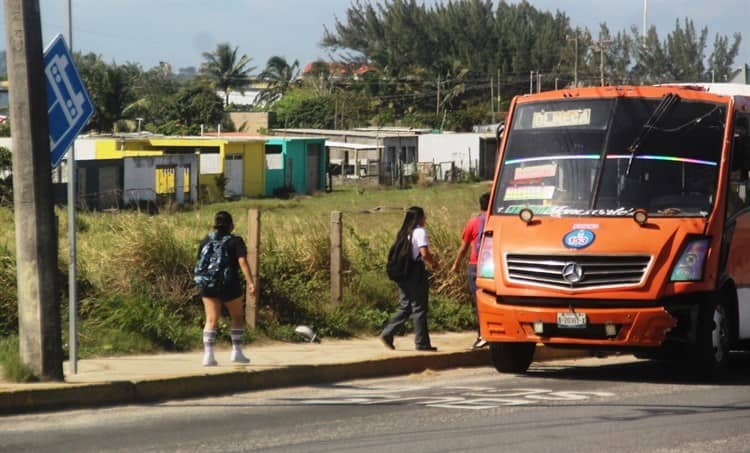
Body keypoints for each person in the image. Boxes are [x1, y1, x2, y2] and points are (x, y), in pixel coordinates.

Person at [198, 211, 256, 366]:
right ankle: (237, 352)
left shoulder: (205, 240)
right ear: (231, 224)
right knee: (237, 317)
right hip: (229, 284)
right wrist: (251, 282)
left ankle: (208, 356)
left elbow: (200, 262)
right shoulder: (235, 241)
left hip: (208, 284)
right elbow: (242, 262)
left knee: (211, 319)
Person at [380, 206, 440, 351]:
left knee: (405, 306)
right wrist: (434, 264)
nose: (425, 219)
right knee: (419, 308)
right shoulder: (420, 231)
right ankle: (422, 343)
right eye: (424, 216)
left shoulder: (404, 232)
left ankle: (388, 333)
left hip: (404, 272)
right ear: (419, 218)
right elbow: (424, 253)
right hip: (416, 272)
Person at [451, 192, 490, 349]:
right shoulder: (498, 221)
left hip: (476, 266)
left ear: (480, 205)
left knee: (478, 302)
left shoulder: (474, 223)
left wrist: (456, 264)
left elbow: (464, 247)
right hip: (495, 265)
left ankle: (482, 334)